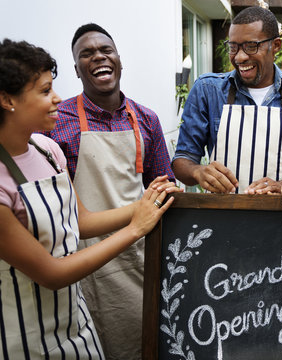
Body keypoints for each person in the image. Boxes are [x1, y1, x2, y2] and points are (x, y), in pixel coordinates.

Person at [0, 38, 181, 359]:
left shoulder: (47, 150)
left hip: (78, 326)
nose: (57, 98)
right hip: (25, 338)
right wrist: (134, 228)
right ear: (6, 100)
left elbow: (80, 221)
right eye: (44, 91)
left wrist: (143, 206)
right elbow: (51, 274)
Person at [45, 23, 175, 359]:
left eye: (106, 50)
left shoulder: (146, 119)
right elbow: (59, 207)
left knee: (147, 342)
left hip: (141, 254)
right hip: (84, 258)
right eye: (86, 54)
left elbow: (165, 185)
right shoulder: (56, 122)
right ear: (76, 69)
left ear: (119, 59)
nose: (98, 57)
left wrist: (167, 192)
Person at [172, 6, 282, 194]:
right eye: (233, 47)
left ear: (276, 45)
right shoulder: (208, 89)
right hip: (221, 215)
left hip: (281, 213)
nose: (240, 57)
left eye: (251, 46)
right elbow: (182, 159)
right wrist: (198, 171)